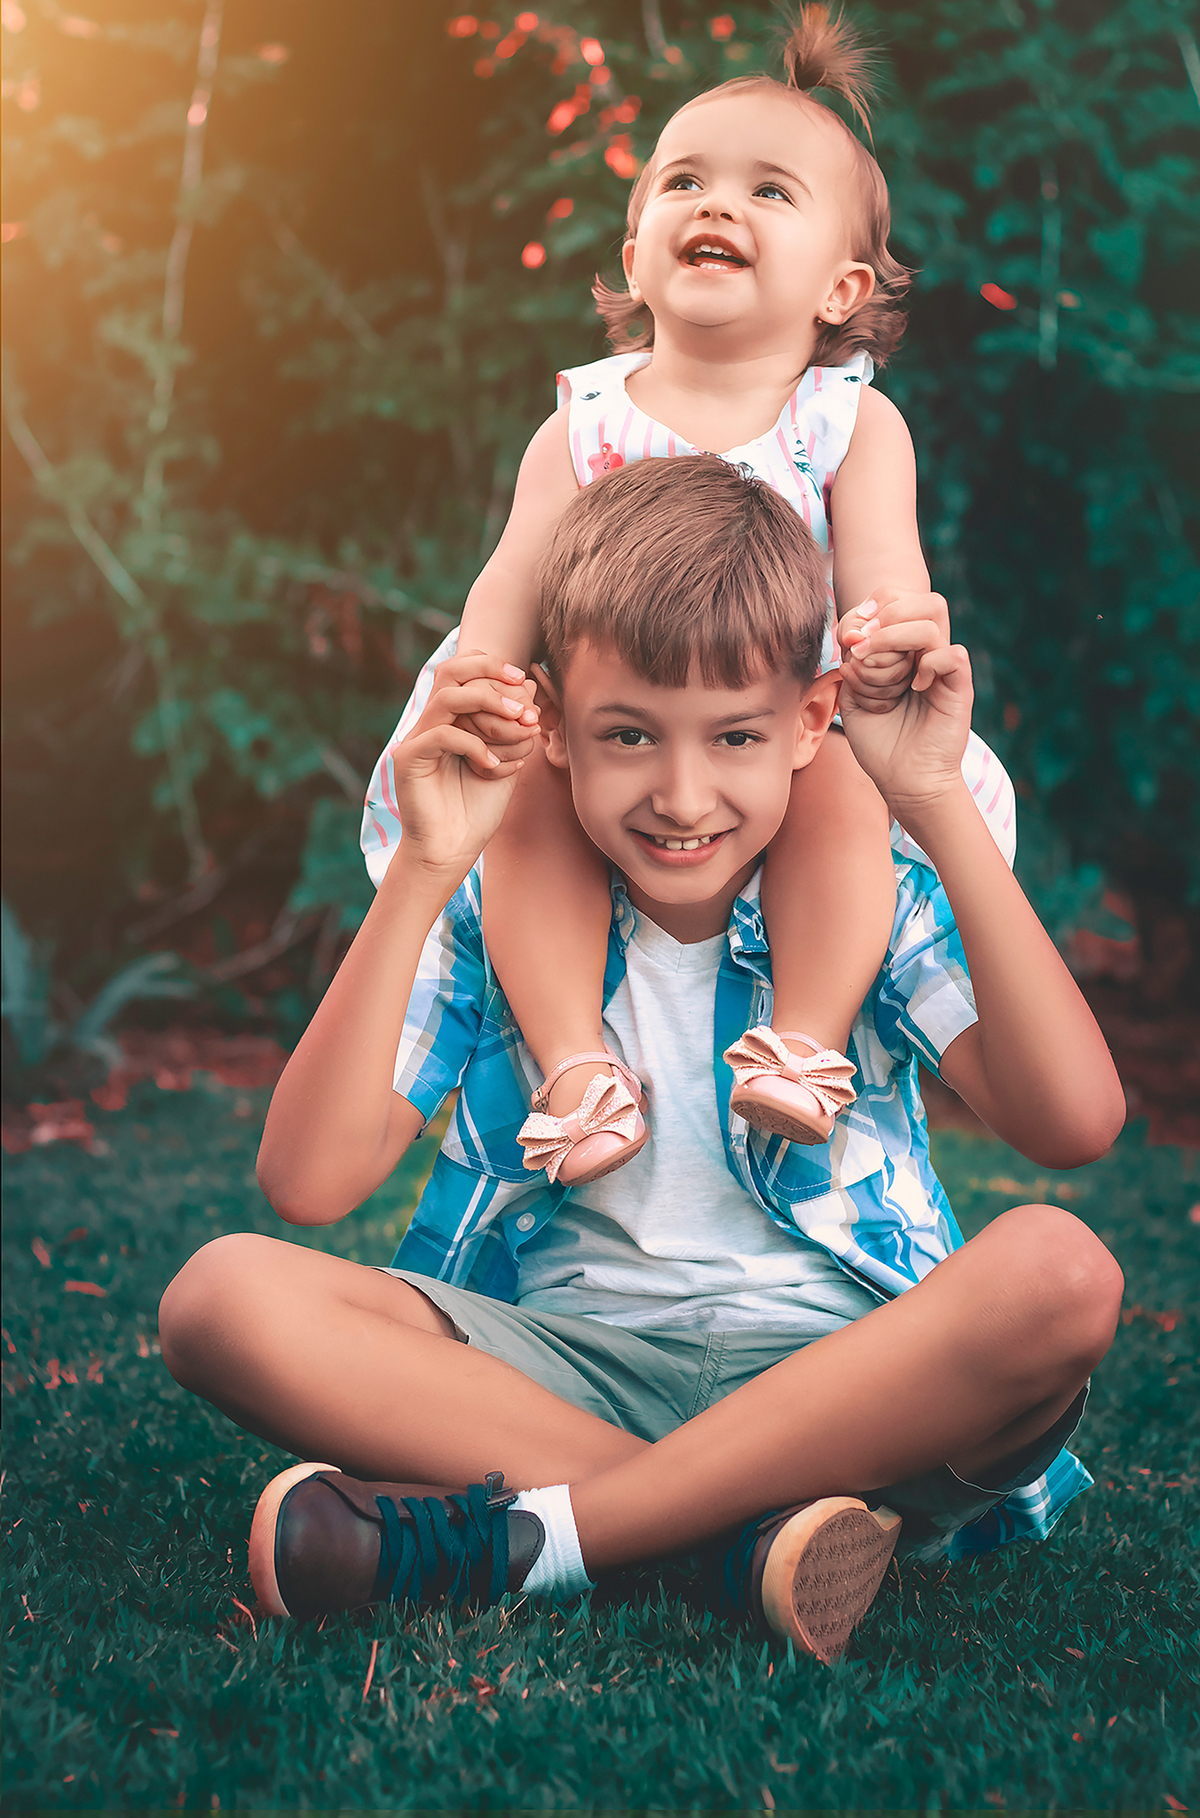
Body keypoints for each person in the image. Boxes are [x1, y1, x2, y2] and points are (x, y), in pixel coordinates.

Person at [159, 457, 1126, 1665]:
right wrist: (420, 866)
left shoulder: (873, 890)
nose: (681, 794)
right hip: (566, 1374)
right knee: (219, 1299)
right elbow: (307, 1182)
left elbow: (1076, 1122)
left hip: (849, 1376)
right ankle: (742, 1541)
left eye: (734, 736)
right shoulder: (498, 907)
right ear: (556, 726)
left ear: (814, 721)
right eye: (629, 734)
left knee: (1062, 1274)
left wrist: (931, 796)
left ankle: (552, 1538)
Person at [361, 5, 1015, 1184]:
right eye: (685, 183)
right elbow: (508, 587)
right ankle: (578, 1071)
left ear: (840, 285)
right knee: (534, 810)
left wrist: (884, 653)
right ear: (633, 258)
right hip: (612, 727)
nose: (716, 205)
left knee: (838, 788)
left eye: (770, 193)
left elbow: (882, 591)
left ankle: (802, 1045)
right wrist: (489, 705)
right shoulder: (583, 426)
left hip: (785, 728)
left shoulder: (851, 425)